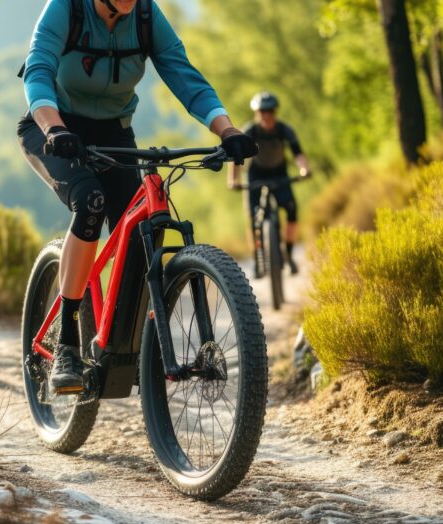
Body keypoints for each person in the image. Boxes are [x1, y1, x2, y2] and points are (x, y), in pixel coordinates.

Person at [18, 0, 258, 394]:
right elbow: (39, 68)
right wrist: (54, 128)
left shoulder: (146, 16)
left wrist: (227, 130)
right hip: (52, 127)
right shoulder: (67, 8)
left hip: (113, 133)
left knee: (141, 226)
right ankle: (67, 341)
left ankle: (126, 344)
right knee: (90, 202)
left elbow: (183, 75)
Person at [227, 91, 310, 275]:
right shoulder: (250, 130)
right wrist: (233, 180)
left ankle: (287, 254)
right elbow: (236, 158)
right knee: (253, 218)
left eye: (270, 111)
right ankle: (258, 257)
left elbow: (298, 153)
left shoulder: (284, 129)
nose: (266, 115)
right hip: (255, 175)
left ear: (275, 112)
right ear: (257, 113)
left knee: (291, 210)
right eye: (262, 111)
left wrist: (304, 169)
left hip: (279, 173)